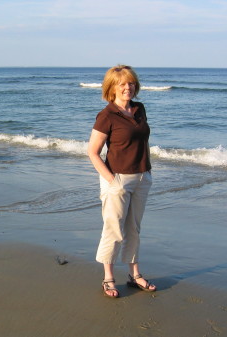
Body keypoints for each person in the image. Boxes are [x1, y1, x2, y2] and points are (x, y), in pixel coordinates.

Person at [87, 65, 156, 298]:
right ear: (112, 87)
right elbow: (93, 152)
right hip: (117, 179)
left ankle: (134, 275)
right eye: (122, 83)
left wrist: (147, 170)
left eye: (131, 83)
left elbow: (142, 141)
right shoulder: (107, 115)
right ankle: (108, 278)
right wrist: (111, 180)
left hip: (142, 177)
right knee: (114, 229)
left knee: (133, 228)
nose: (128, 87)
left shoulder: (139, 109)